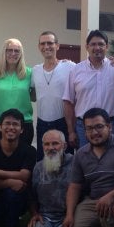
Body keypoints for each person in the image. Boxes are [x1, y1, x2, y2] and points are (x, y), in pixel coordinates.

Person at [63, 30, 114, 149]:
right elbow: (68, 102)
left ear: (107, 47)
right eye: (93, 44)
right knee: (86, 163)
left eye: (101, 44)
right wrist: (71, 131)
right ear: (87, 47)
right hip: (83, 128)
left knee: (111, 162)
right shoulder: (75, 70)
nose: (97, 47)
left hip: (111, 126)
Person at [23, 129, 73, 227]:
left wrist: (72, 215)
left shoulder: (75, 163)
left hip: (68, 217)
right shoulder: (38, 167)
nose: (51, 148)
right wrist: (34, 214)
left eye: (55, 143)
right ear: (43, 147)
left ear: (64, 146)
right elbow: (32, 196)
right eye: (46, 144)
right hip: (45, 218)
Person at [31, 31, 75, 160]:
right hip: (42, 123)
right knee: (43, 160)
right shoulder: (35, 70)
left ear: (57, 46)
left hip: (63, 122)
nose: (46, 46)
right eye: (43, 43)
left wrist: (110, 61)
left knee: (65, 160)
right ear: (39, 47)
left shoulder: (70, 66)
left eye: (50, 43)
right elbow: (32, 94)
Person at [0, 38, 34, 145]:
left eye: (17, 51)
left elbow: (34, 95)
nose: (13, 53)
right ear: (4, 52)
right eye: (9, 50)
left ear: (21, 53)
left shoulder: (30, 73)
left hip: (24, 124)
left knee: (23, 160)